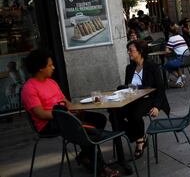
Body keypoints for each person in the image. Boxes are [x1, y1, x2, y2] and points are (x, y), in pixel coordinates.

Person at [21, 49, 119, 177]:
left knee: (98, 119)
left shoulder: (51, 82)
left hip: (64, 116)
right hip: (48, 124)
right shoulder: (29, 88)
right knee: (83, 131)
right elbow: (41, 114)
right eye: (50, 65)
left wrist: (77, 109)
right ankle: (101, 168)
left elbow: (66, 103)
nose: (53, 67)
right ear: (40, 68)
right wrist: (67, 115)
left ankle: (85, 155)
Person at [111, 40, 170, 159]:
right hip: (131, 99)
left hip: (149, 98)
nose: (129, 53)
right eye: (128, 50)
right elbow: (127, 86)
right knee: (114, 115)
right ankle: (139, 136)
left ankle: (139, 142)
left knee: (134, 115)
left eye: (131, 50)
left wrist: (157, 107)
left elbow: (160, 88)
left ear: (140, 51)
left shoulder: (152, 66)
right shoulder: (129, 67)